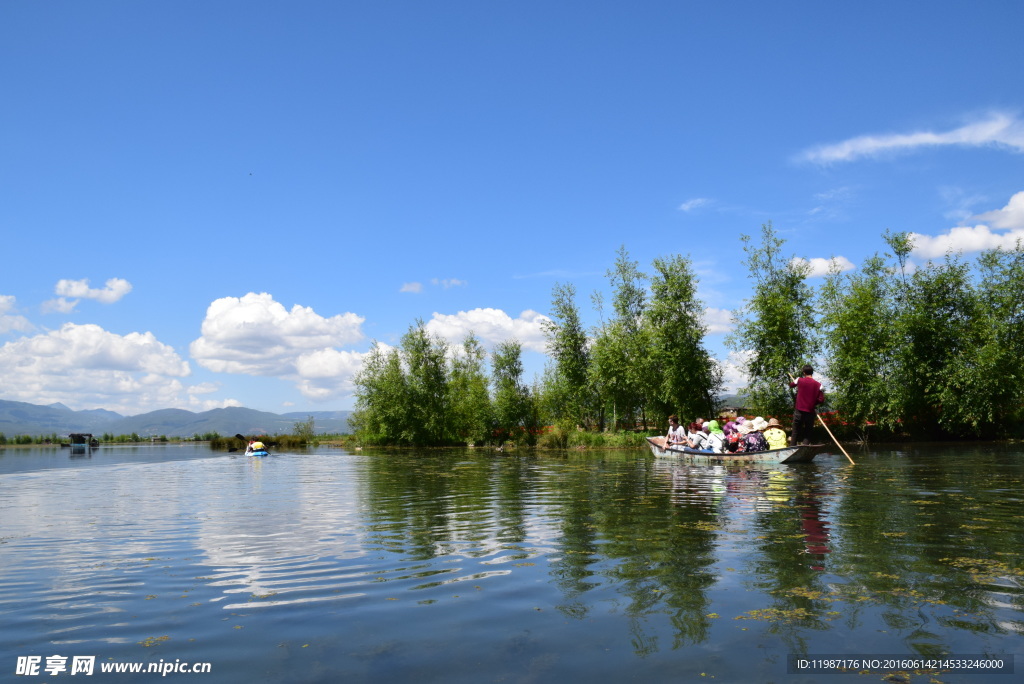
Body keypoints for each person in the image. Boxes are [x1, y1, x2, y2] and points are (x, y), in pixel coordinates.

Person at [789, 364, 825, 445]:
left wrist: (796, 381)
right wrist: (813, 403)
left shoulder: (799, 380)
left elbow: (791, 385)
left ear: (804, 373)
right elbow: (821, 400)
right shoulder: (818, 385)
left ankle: (792, 448)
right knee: (808, 432)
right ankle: (804, 447)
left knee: (795, 431)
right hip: (810, 411)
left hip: (799, 410)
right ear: (812, 373)